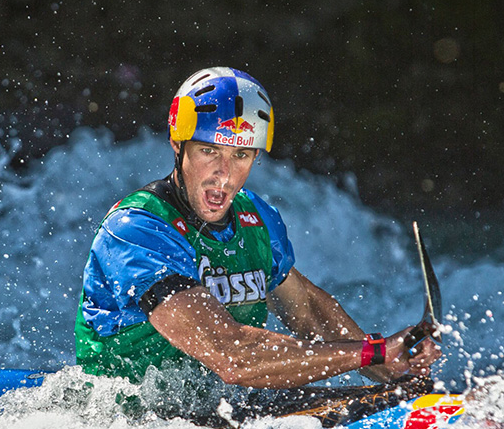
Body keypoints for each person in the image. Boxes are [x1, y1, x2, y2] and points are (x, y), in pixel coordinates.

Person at [75, 66, 440, 390]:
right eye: (208, 151)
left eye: (241, 155)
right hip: (128, 420)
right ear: (177, 143)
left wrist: (387, 366)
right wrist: (370, 352)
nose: (224, 173)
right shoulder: (136, 229)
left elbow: (307, 309)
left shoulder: (256, 218)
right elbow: (231, 356)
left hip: (213, 407)